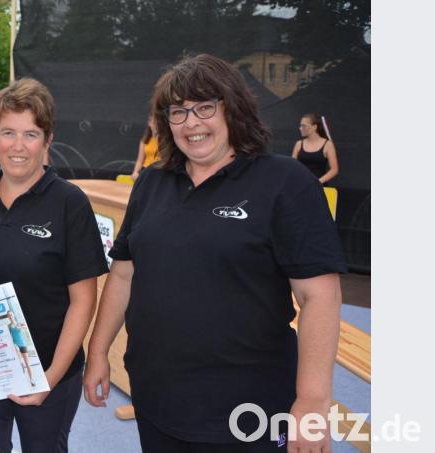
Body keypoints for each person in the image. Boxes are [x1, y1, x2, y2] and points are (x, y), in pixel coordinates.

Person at [83, 54, 347, 453]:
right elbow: (122, 275)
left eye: (205, 107)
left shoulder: (285, 182)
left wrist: (312, 401)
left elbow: (320, 296)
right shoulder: (152, 184)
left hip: (250, 410)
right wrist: (98, 351)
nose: (191, 122)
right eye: (178, 112)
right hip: (158, 401)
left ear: (233, 109)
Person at [0, 77, 108, 453]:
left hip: (50, 370)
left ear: (47, 141)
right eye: (8, 133)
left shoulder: (70, 203)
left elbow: (84, 301)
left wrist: (49, 377)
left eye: (30, 134)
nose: (18, 146)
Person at [292, 113, 339, 185]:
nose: (300, 128)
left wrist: (318, 182)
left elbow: (334, 169)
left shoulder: (328, 144)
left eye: (304, 126)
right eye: (300, 125)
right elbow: (292, 166)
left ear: (314, 127)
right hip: (300, 184)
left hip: (319, 186)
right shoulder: (299, 144)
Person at [131, 115, 158, 180]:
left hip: (159, 171)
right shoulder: (145, 141)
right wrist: (135, 172)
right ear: (149, 123)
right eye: (154, 123)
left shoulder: (165, 141)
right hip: (145, 170)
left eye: (159, 123)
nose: (156, 125)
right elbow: (140, 161)